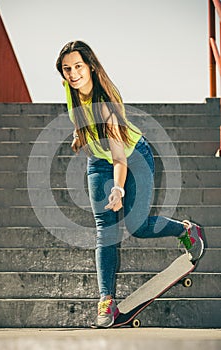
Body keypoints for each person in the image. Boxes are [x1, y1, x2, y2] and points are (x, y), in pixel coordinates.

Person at [56, 40, 204, 328]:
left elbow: (120, 160)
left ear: (90, 67)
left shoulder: (108, 107)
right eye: (67, 69)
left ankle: (186, 230)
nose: (73, 74)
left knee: (138, 226)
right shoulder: (69, 88)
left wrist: (118, 189)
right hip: (98, 161)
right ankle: (106, 301)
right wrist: (80, 135)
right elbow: (78, 114)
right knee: (105, 230)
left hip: (134, 156)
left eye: (78, 67)